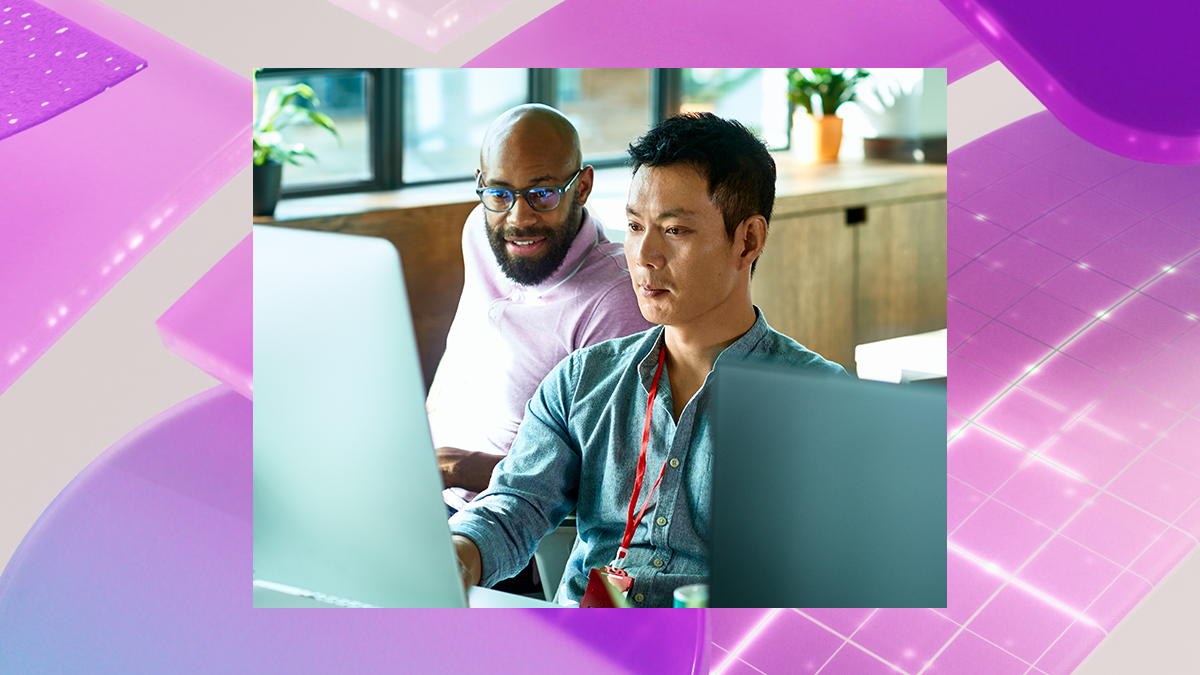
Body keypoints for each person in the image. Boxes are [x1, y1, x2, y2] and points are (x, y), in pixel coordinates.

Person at [448, 112, 847, 607]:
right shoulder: (580, 381)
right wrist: (459, 552)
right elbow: (516, 505)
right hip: (581, 644)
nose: (644, 255)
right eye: (635, 226)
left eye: (674, 230)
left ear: (747, 241)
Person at [426, 104, 652, 503]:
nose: (518, 218)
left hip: (499, 526)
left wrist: (454, 469)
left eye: (542, 194)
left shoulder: (614, 299)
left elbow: (605, 475)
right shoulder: (480, 232)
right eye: (499, 193)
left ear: (581, 187)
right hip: (424, 490)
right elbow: (458, 358)